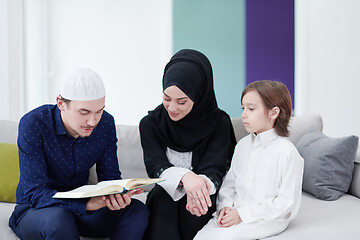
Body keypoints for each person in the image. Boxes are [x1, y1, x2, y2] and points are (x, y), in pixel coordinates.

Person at [9, 68, 149, 240]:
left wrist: (116, 196)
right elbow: (35, 193)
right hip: (38, 211)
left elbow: (110, 178)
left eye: (99, 111)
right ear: (61, 103)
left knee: (137, 210)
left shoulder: (105, 123)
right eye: (84, 112)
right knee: (59, 219)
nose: (92, 121)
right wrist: (86, 204)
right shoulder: (34, 124)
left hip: (84, 213)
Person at [139, 49, 237, 240]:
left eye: (181, 102)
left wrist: (196, 187)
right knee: (163, 197)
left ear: (199, 95)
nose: (172, 108)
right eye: (166, 99)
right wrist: (185, 177)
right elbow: (155, 166)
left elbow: (214, 169)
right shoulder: (150, 123)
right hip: (164, 197)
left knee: (198, 204)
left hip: (205, 195)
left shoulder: (219, 123)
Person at [194, 80, 304, 240]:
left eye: (251, 109)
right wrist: (224, 207)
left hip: (267, 219)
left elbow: (287, 203)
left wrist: (242, 214)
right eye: (243, 108)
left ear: (273, 113)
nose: (243, 114)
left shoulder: (287, 153)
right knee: (200, 236)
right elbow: (229, 185)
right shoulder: (243, 145)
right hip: (236, 211)